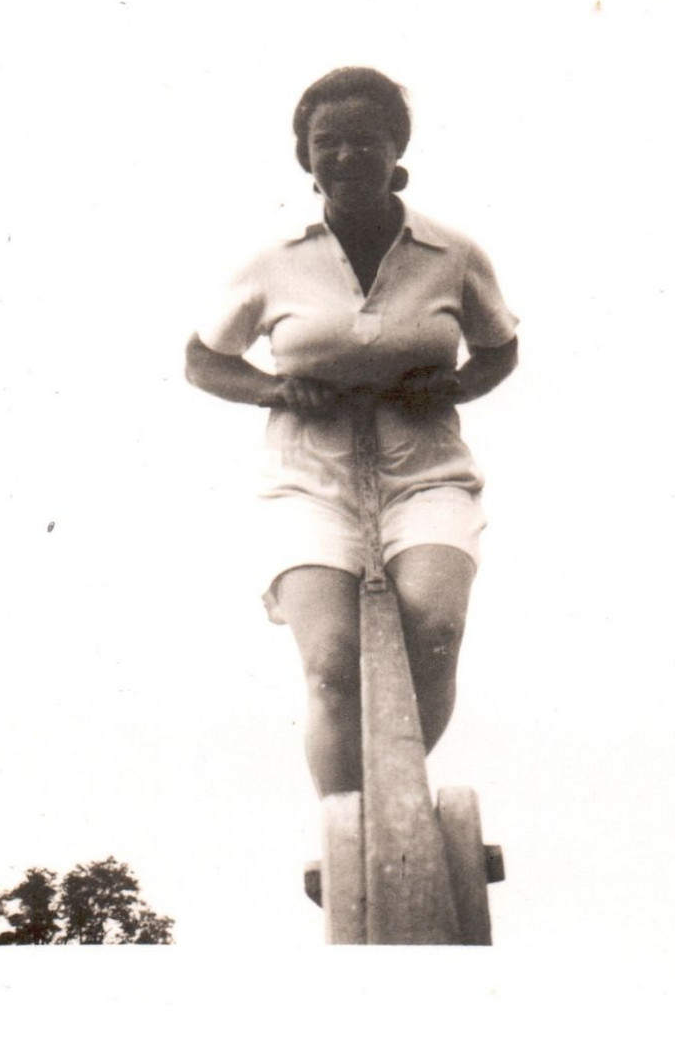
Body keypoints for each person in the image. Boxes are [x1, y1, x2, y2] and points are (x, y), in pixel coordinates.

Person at [185, 67, 518, 798]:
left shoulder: (452, 255)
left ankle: (393, 809)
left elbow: (500, 347)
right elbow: (203, 359)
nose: (345, 157)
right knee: (332, 663)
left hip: (423, 468)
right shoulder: (275, 262)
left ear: (397, 149)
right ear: (304, 157)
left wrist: (455, 385)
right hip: (309, 478)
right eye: (325, 142)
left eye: (365, 140)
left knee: (434, 627)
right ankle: (348, 831)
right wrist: (275, 387)